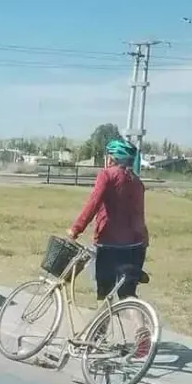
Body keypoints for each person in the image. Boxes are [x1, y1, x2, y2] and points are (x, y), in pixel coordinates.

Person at [66, 137, 151, 358]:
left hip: (110, 244)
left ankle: (97, 335)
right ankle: (142, 333)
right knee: (127, 292)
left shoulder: (107, 175)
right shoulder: (137, 182)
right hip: (137, 245)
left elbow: (93, 202)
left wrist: (75, 229)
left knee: (104, 293)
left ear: (111, 158)